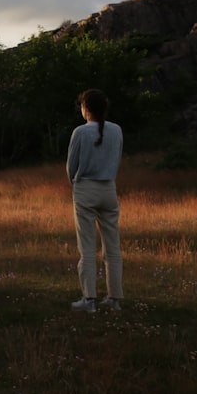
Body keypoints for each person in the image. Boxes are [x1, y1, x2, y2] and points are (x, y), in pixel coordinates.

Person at [66, 88, 124, 313]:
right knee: (113, 246)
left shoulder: (80, 132)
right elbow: (116, 158)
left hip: (85, 188)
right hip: (109, 187)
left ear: (86, 108)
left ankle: (89, 299)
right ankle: (114, 298)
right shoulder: (117, 130)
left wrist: (76, 185)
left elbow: (71, 167)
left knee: (87, 247)